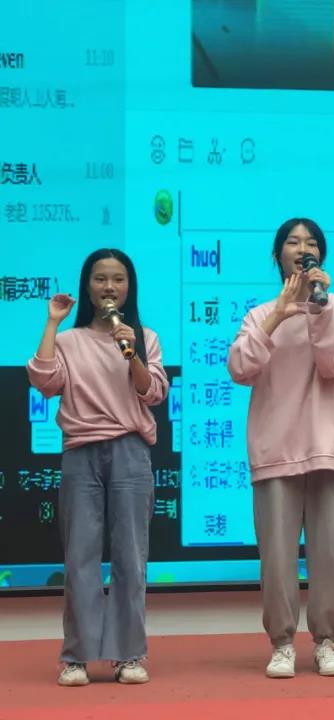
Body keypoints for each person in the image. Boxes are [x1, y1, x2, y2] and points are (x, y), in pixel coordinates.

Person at [28, 249, 167, 686]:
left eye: (118, 279)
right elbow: (44, 381)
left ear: (130, 287)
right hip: (81, 453)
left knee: (131, 557)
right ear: (88, 286)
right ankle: (78, 656)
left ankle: (128, 654)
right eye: (100, 278)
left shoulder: (143, 337)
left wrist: (131, 352)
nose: (109, 287)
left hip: (130, 452)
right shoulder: (69, 341)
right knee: (80, 557)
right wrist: (52, 322)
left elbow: (153, 393)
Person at [227, 218, 334, 678]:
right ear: (277, 256)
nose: (303, 248)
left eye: (311, 242)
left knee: (333, 555)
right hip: (275, 449)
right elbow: (240, 369)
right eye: (293, 242)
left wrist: (318, 309)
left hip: (329, 448)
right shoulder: (259, 315)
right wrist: (278, 315)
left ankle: (327, 641)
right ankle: (282, 643)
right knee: (277, 557)